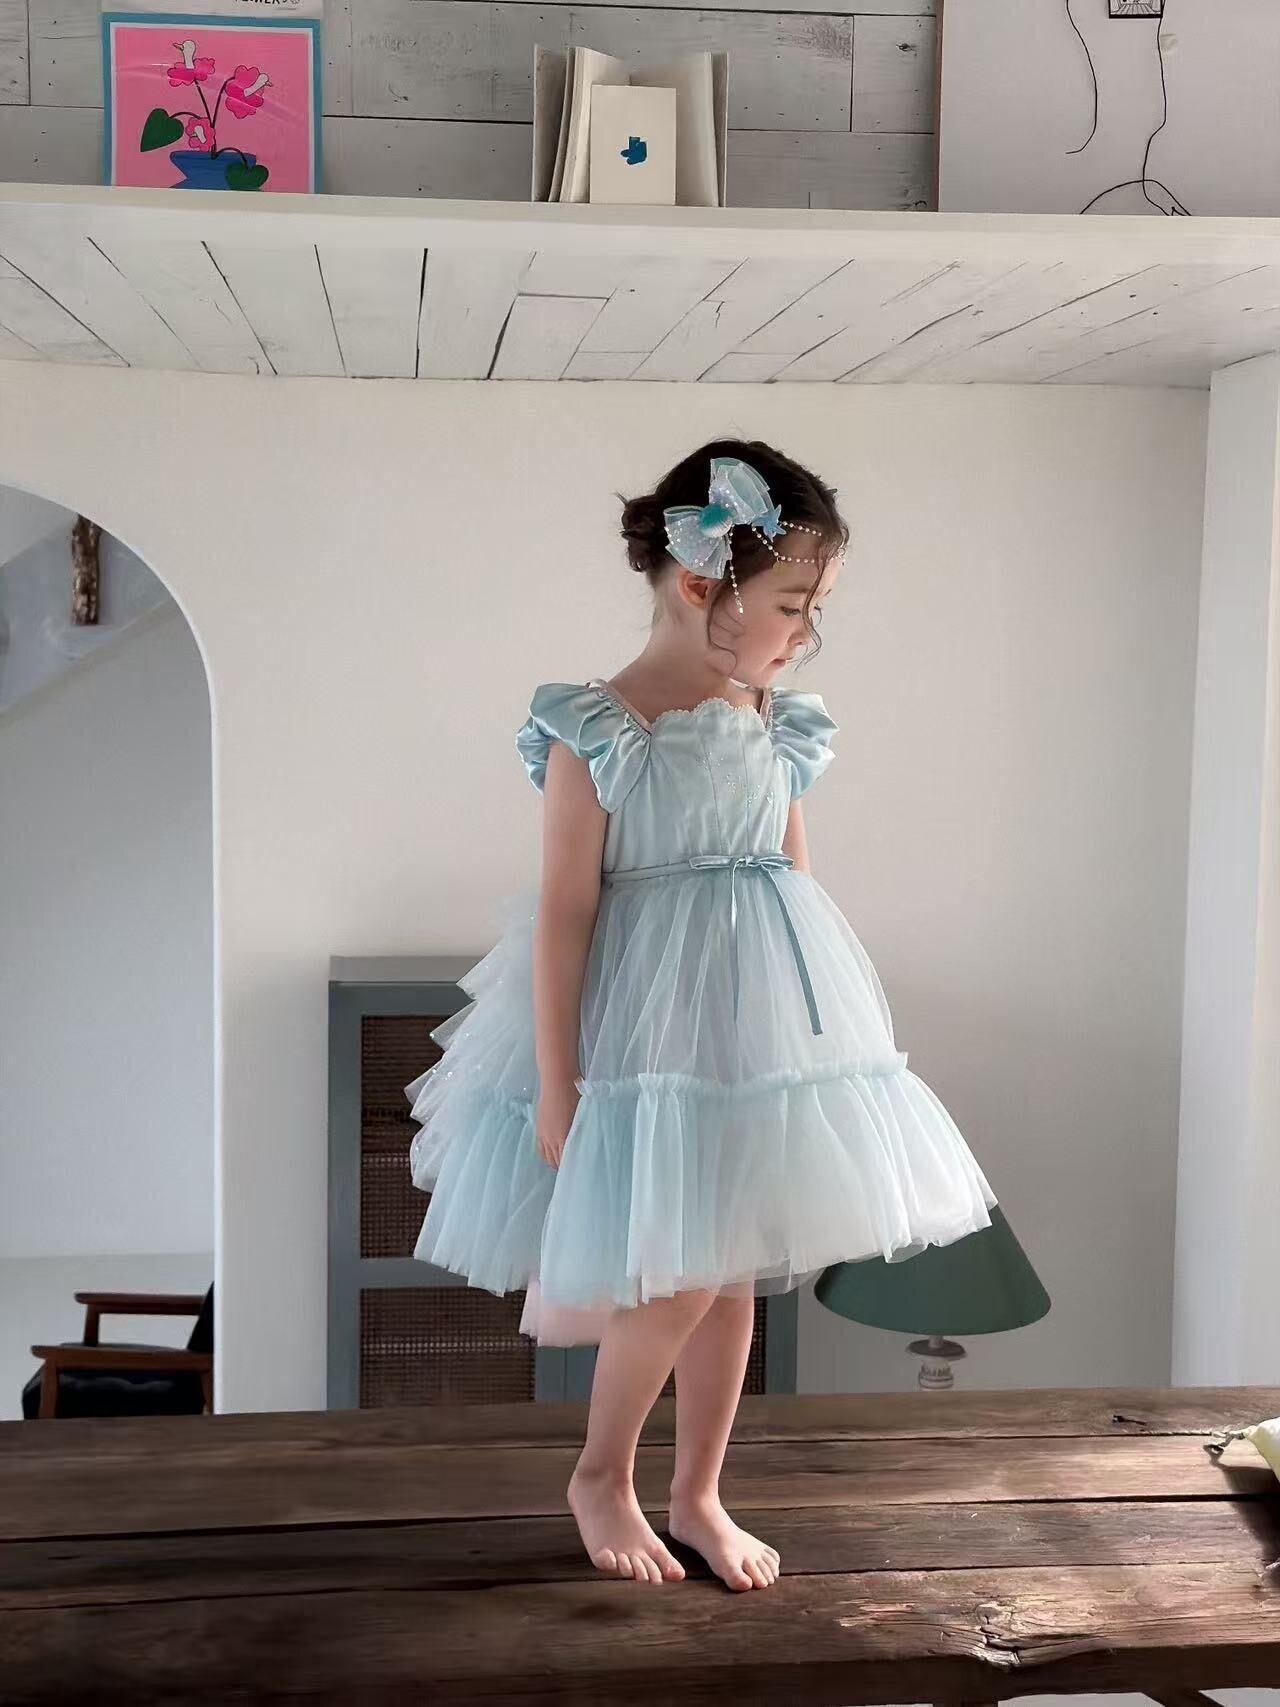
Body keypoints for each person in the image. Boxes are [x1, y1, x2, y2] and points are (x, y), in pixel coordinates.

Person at [404, 437, 998, 1592]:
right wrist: (559, 1080)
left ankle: (698, 1492)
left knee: (727, 1277)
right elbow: (566, 911)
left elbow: (791, 878)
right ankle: (600, 1476)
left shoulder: (772, 715)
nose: (803, 634)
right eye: (792, 605)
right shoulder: (598, 726)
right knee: (674, 1273)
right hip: (646, 1037)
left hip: (753, 1027)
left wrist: (817, 1046)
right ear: (696, 584)